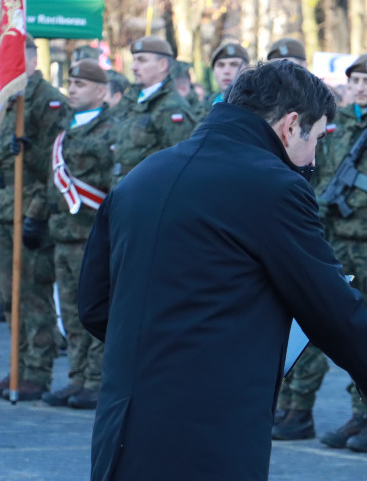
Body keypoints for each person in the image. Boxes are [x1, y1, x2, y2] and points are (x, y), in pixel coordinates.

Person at [78, 60, 367, 481]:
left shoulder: (143, 176)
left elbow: (95, 306)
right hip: (208, 452)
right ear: (290, 124)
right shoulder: (272, 186)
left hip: (127, 445)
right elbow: (331, 307)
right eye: (317, 139)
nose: (315, 160)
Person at [272, 53, 367, 446]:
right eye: (355, 81)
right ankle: (313, 409)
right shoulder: (338, 124)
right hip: (334, 235)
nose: (361, 87)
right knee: (323, 324)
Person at [41, 60, 118, 410]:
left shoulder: (112, 130)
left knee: (95, 308)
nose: (72, 89)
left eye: (81, 84)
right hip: (63, 234)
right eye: (71, 83)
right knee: (70, 313)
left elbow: (113, 186)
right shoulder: (64, 131)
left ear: (101, 91)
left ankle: (96, 379)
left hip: (92, 237)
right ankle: (76, 377)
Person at [0, 34, 68, 400]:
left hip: (32, 211)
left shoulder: (49, 102)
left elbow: (55, 165)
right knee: (10, 298)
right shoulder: (9, 101)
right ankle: (19, 368)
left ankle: (37, 372)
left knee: (33, 296)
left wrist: (38, 216)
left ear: (29, 56)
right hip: (6, 210)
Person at [109, 36, 195, 188]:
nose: (134, 67)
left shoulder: (172, 106)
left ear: (162, 65)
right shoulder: (132, 99)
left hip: (148, 191)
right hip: (123, 189)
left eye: (142, 60)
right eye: (134, 60)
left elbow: (181, 163)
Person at [207, 41, 250, 108]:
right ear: (213, 71)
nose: (226, 71)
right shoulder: (204, 107)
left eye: (234, 65)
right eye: (221, 65)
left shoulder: (260, 105)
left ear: (247, 69)